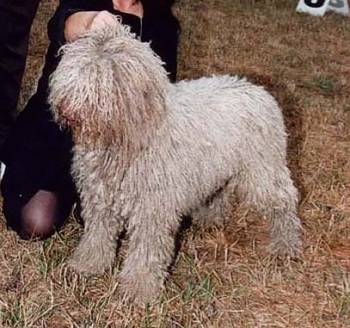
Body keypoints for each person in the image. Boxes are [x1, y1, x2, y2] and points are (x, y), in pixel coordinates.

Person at [0, 0, 180, 240]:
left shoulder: (161, 23)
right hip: (57, 130)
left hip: (112, 141)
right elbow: (66, 24)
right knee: (36, 222)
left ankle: (84, 197)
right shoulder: (85, 3)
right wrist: (91, 21)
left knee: (117, 223)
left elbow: (161, 96)